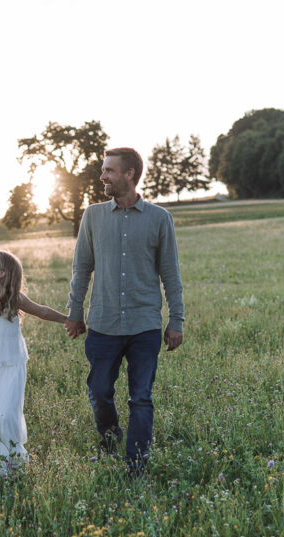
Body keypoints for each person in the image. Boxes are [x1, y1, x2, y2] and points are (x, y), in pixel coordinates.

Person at [64, 147, 184, 476]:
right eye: (103, 170)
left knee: (141, 397)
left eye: (109, 171)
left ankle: (136, 464)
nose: (102, 176)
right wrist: (75, 312)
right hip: (103, 323)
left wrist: (176, 320)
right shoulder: (93, 216)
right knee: (100, 391)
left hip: (144, 324)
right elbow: (81, 267)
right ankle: (110, 435)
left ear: (130, 174)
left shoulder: (160, 219)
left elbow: (171, 275)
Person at [0, 250, 68, 477]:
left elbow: (41, 311)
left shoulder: (13, 298)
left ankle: (16, 460)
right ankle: (1, 465)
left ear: (0, 274)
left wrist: (69, 319)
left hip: (10, 363)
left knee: (5, 414)